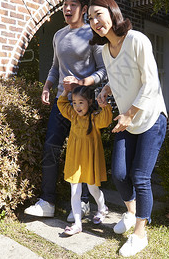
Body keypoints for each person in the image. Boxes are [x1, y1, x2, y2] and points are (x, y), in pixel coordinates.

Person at [88, 0, 168, 257]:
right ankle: (132, 214)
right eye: (90, 18)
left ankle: (140, 235)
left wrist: (130, 113)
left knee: (141, 177)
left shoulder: (136, 40)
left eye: (98, 14)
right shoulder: (103, 50)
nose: (95, 21)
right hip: (127, 119)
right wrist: (105, 89)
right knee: (120, 174)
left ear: (112, 13)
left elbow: (151, 82)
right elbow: (120, 74)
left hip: (150, 117)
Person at [24, 0, 106, 221]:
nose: (67, 9)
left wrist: (81, 82)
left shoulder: (93, 34)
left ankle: (83, 203)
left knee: (84, 154)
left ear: (83, 9)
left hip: (85, 107)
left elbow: (103, 71)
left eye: (73, 4)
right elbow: (55, 67)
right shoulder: (58, 35)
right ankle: (47, 201)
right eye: (65, 4)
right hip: (63, 105)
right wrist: (48, 85)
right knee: (51, 147)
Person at [57, 85, 112, 235]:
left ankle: (102, 208)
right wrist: (66, 91)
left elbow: (106, 120)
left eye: (81, 102)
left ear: (89, 101)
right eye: (74, 102)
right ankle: (77, 224)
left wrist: (105, 106)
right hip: (75, 159)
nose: (77, 106)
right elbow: (61, 103)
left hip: (89, 160)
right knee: (75, 190)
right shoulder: (73, 116)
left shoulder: (94, 118)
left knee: (93, 189)